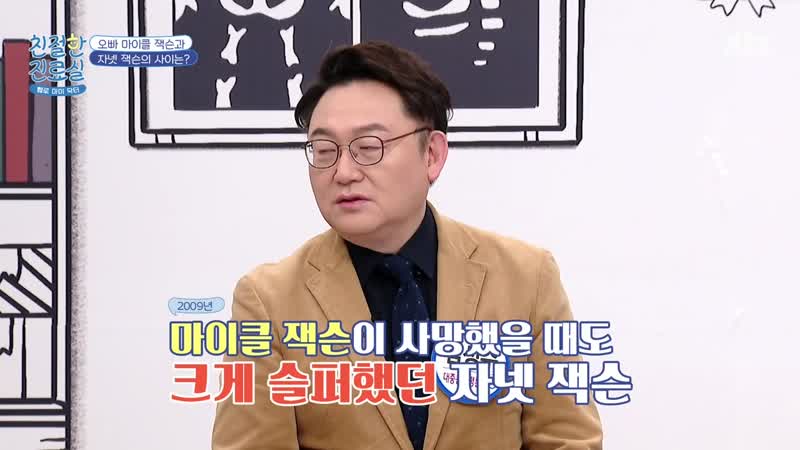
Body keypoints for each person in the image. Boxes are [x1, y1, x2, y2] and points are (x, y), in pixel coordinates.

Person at [212, 41, 602, 450]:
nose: (343, 172)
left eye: (368, 147)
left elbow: (568, 439)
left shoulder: (526, 277)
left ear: (431, 154)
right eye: (325, 151)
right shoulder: (268, 301)